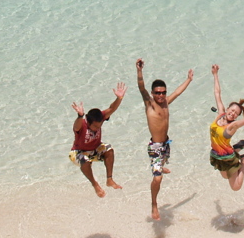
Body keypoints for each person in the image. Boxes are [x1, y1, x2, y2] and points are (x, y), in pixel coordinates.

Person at [135, 58, 193, 220]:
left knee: (165, 160)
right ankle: (154, 204)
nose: (161, 95)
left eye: (163, 92)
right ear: (153, 94)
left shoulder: (166, 102)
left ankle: (162, 165)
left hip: (166, 144)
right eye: (158, 93)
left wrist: (188, 79)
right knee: (158, 178)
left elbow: (178, 92)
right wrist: (139, 70)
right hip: (155, 147)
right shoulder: (150, 104)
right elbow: (141, 88)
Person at [69, 82, 126, 198]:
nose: (97, 128)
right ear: (88, 122)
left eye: (99, 126)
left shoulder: (100, 118)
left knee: (109, 148)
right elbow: (76, 126)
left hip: (95, 149)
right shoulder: (82, 125)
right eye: (95, 126)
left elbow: (111, 108)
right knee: (84, 159)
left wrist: (119, 98)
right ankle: (95, 185)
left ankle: (109, 179)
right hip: (78, 152)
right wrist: (80, 116)